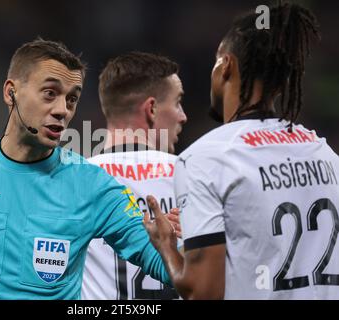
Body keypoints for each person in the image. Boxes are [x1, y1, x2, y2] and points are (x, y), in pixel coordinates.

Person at [0, 38, 173, 300]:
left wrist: (176, 247)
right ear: (10, 93)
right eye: (50, 93)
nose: (62, 110)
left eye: (72, 99)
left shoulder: (93, 186)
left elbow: (171, 270)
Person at [144, 2, 339, 299]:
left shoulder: (206, 158)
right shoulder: (325, 155)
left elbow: (203, 291)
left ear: (227, 65)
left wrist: (166, 245)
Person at [81, 52, 186, 300]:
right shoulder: (193, 174)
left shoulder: (76, 180)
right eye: (178, 102)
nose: (183, 116)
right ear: (151, 108)